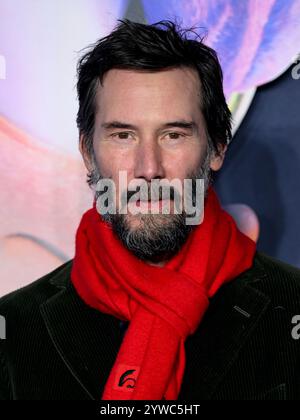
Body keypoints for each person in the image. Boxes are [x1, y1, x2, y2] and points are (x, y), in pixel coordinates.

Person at [0, 19, 300, 401]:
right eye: (123, 135)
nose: (148, 168)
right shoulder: (14, 330)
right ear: (88, 153)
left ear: (218, 147)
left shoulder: (291, 309)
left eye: (173, 135)